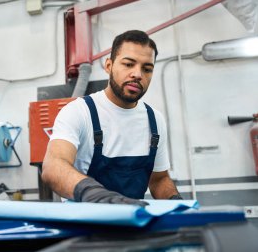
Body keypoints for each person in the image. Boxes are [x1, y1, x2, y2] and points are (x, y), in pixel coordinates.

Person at [42, 30, 182, 205]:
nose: (138, 74)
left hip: (133, 221)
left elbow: (158, 179)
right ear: (109, 66)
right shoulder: (79, 111)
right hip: (86, 224)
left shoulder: (155, 120)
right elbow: (53, 166)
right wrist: (96, 195)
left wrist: (176, 202)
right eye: (128, 64)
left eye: (147, 69)